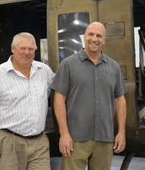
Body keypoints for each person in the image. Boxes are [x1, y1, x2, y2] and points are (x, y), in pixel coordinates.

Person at [51, 22, 127, 170]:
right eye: (91, 34)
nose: (94, 39)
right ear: (84, 37)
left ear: (104, 40)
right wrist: (64, 134)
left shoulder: (114, 67)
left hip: (104, 138)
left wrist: (121, 133)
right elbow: (58, 99)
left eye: (99, 36)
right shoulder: (68, 64)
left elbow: (120, 100)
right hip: (75, 139)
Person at [0, 32, 54, 170]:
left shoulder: (44, 71)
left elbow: (58, 93)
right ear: (13, 48)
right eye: (22, 48)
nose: (26, 53)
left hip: (39, 143)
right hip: (8, 142)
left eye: (30, 49)